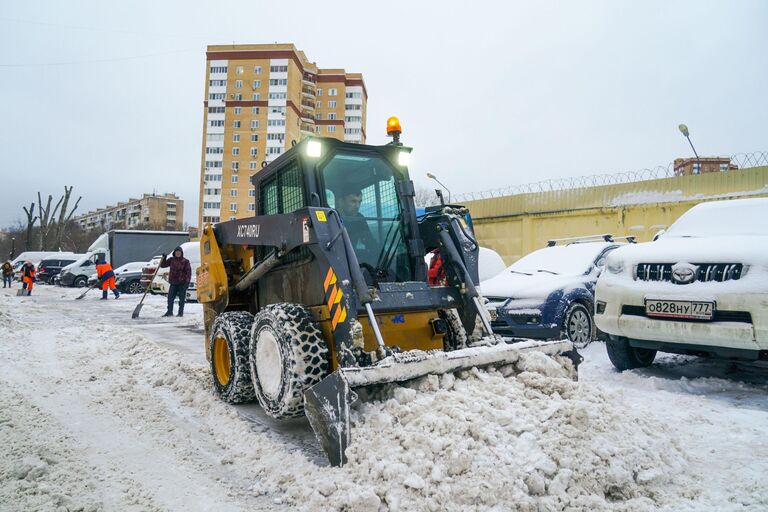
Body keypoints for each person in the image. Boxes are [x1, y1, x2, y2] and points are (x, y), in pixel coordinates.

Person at [335, 188, 378, 257]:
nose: (357, 206)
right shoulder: (332, 217)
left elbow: (370, 242)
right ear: (341, 202)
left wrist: (385, 254)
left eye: (359, 202)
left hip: (352, 258)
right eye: (353, 201)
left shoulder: (359, 218)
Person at [159, 246, 191, 317]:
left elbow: (188, 273)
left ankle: (180, 313)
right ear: (174, 253)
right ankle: (169, 312)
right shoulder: (171, 260)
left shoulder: (185, 261)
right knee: (170, 298)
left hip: (182, 283)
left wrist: (187, 283)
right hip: (173, 282)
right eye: (176, 252)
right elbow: (163, 265)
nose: (178, 253)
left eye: (179, 252)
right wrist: (164, 258)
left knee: (181, 299)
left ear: (181, 253)